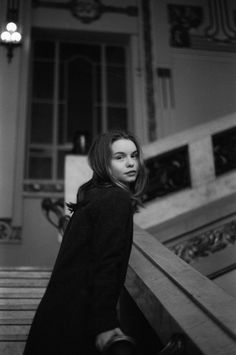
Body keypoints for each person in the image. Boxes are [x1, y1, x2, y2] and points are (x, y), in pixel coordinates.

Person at [23, 130, 147, 355]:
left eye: (134, 155)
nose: (131, 163)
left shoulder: (95, 194)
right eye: (119, 157)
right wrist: (105, 325)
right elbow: (107, 263)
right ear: (104, 162)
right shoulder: (116, 199)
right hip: (74, 325)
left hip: (55, 319)